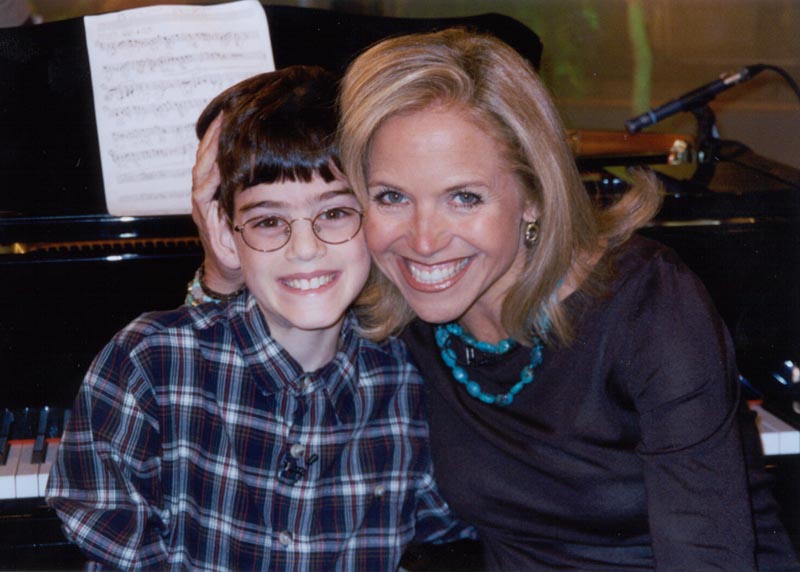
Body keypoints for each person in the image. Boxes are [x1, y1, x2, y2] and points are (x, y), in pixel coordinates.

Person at [192, 33, 800, 572]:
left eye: (464, 198)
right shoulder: (397, 302)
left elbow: (706, 553)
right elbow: (240, 410)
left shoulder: (647, 305)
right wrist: (222, 273)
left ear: (534, 195)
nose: (424, 242)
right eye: (391, 197)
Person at [46, 65, 473, 572]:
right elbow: (108, 531)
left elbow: (456, 535)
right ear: (226, 235)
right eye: (269, 221)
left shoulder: (409, 381)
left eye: (335, 213)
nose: (305, 248)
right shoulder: (146, 361)